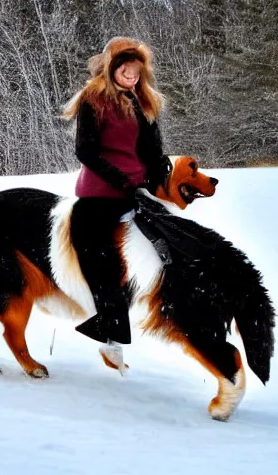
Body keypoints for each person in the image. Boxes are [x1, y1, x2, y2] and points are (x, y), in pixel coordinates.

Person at [62, 36, 171, 372]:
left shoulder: (144, 101)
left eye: (136, 72)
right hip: (100, 193)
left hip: (136, 190)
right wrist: (121, 179)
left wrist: (158, 170)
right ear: (111, 68)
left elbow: (152, 149)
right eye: (125, 71)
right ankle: (110, 330)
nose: (132, 77)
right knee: (98, 260)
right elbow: (86, 151)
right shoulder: (93, 99)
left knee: (166, 246)